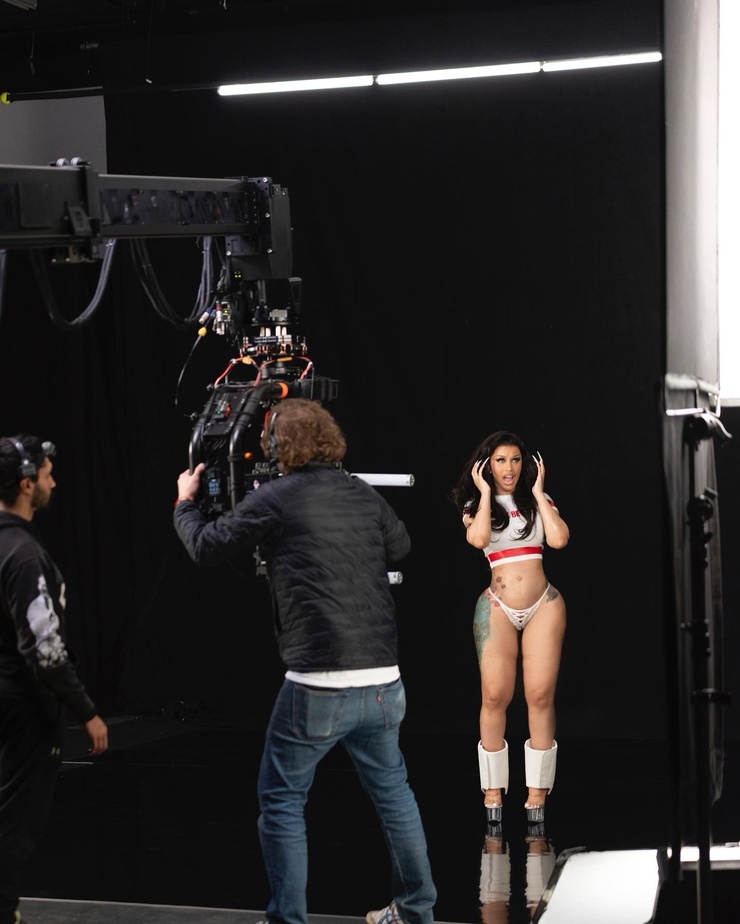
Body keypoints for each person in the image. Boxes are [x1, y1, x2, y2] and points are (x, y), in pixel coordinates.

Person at [173, 397, 436, 924]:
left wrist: (185, 502)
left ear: (276, 447)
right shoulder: (360, 492)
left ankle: (288, 920)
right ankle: (415, 913)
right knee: (394, 795)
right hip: (383, 681)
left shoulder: (276, 497)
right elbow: (401, 545)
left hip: (318, 684)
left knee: (282, 801)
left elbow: (205, 546)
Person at [0, 434, 108, 924]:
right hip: (21, 707)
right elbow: (44, 649)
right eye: (47, 475)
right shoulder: (22, 553)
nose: (54, 482)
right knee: (14, 824)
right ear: (27, 485)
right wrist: (86, 711)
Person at [451, 430, 568, 826]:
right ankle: (492, 789)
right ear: (487, 465)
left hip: (543, 605)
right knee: (495, 695)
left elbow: (559, 539)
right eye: (500, 460)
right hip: (497, 606)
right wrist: (485, 493)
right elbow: (478, 539)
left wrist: (538, 493)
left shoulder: (538, 501)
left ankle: (538, 791)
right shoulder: (476, 505)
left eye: (516, 460)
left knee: (540, 695)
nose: (509, 468)